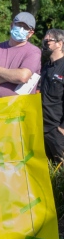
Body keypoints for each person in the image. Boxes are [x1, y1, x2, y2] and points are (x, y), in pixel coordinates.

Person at [0, 12, 42, 99]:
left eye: (25, 27)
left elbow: (22, 77)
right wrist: (12, 77)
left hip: (19, 108)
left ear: (30, 33)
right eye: (18, 25)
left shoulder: (33, 51)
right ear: (11, 25)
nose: (21, 29)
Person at [40, 29, 64, 163]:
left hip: (57, 130)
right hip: (43, 127)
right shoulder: (46, 67)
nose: (45, 44)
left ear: (59, 44)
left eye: (48, 41)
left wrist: (62, 128)